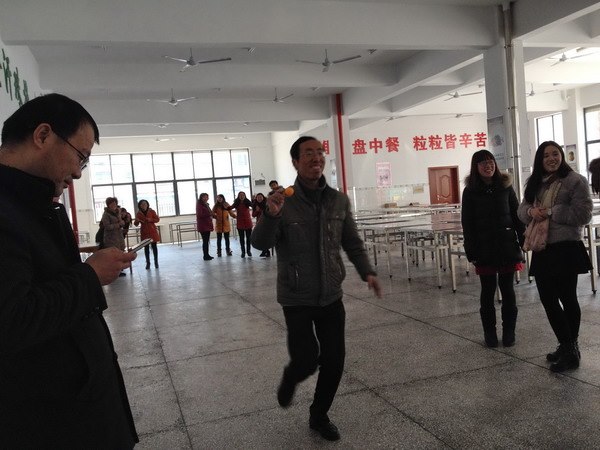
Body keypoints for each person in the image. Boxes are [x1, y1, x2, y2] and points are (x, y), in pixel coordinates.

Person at [0, 93, 138, 447]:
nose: (78, 172)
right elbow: (11, 319)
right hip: (48, 421)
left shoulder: (38, 203)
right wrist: (90, 276)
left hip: (81, 407)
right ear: (43, 135)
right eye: (81, 156)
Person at [252, 136, 382, 441]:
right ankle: (291, 376)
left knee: (334, 362)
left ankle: (319, 415)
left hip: (331, 295)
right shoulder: (283, 201)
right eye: (308, 153)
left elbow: (351, 241)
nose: (316, 158)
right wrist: (270, 215)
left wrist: (367, 271)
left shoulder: (338, 200)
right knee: (306, 360)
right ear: (295, 162)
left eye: (320, 152)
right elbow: (260, 243)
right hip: (296, 297)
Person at [518, 141, 593, 373]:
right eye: (546, 156)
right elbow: (521, 210)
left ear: (561, 156)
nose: (551, 159)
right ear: (540, 160)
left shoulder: (575, 181)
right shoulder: (535, 183)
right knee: (548, 299)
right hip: (543, 248)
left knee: (568, 298)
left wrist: (551, 212)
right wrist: (531, 211)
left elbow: (583, 214)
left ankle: (571, 349)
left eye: (555, 154)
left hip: (566, 247)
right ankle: (566, 345)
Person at [461, 150, 525, 348]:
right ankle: (489, 333)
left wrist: (524, 239)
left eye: (491, 162)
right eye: (483, 163)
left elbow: (517, 216)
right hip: (484, 248)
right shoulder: (470, 191)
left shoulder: (506, 186)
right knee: (487, 291)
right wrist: (471, 250)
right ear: (476, 167)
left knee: (508, 290)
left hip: (506, 246)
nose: (488, 166)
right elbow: (467, 224)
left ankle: (509, 332)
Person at [102, 196, 127, 277]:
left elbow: (121, 222)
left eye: (115, 203)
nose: (114, 205)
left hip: (119, 237)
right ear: (108, 205)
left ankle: (119, 270)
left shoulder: (117, 213)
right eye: (112, 204)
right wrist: (118, 225)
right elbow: (107, 226)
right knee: (113, 255)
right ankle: (114, 271)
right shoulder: (106, 214)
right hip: (111, 238)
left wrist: (120, 219)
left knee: (120, 253)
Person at [134, 199, 161, 269]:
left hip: (152, 231)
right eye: (142, 204)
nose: (144, 205)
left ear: (147, 205)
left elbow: (157, 219)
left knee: (154, 247)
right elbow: (136, 224)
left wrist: (150, 219)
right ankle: (148, 263)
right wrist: (136, 221)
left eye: (145, 204)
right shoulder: (139, 213)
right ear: (140, 206)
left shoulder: (151, 211)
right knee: (146, 248)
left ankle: (156, 262)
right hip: (144, 232)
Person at [231, 191, 253, 258]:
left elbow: (253, 205)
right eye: (240, 195)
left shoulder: (247, 201)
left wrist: (254, 200)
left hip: (248, 222)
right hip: (240, 223)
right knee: (241, 239)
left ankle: (248, 251)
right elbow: (230, 208)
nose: (242, 196)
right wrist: (226, 206)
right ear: (238, 196)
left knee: (249, 238)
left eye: (243, 195)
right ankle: (243, 252)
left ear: (245, 196)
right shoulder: (236, 202)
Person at [196, 192, 214, 260]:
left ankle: (207, 254)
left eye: (207, 197)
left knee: (206, 241)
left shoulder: (206, 204)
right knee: (205, 241)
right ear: (201, 198)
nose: (206, 198)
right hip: (203, 225)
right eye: (204, 197)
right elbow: (199, 215)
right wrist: (209, 214)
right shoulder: (199, 205)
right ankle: (205, 256)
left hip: (207, 224)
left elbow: (210, 213)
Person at [252, 192, 270, 257]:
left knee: (265, 237)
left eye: (260, 197)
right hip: (259, 223)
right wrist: (257, 210)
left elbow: (268, 213)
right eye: (258, 197)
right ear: (256, 198)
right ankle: (266, 251)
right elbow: (253, 215)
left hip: (266, 222)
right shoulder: (255, 205)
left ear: (263, 197)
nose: (259, 198)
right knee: (261, 237)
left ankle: (265, 251)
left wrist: (260, 210)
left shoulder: (267, 204)